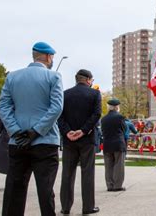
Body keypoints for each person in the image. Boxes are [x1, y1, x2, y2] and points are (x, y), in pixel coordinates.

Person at [0, 42, 63, 216]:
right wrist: (36, 131)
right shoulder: (54, 77)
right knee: (45, 190)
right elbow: (56, 108)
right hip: (45, 141)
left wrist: (16, 131)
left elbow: (3, 107)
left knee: (14, 189)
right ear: (48, 57)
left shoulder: (12, 77)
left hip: (17, 141)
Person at [58, 69, 101, 215]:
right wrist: (83, 130)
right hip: (87, 139)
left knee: (67, 174)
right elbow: (97, 114)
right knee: (87, 173)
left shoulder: (65, 94)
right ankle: (88, 206)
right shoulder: (95, 94)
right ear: (88, 79)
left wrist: (67, 131)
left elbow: (59, 115)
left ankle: (65, 207)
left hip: (69, 140)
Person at [101, 98, 127, 192]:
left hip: (107, 144)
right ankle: (117, 185)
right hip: (118, 144)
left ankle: (110, 185)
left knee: (108, 166)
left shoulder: (103, 119)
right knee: (118, 165)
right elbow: (124, 130)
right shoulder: (120, 117)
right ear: (116, 107)